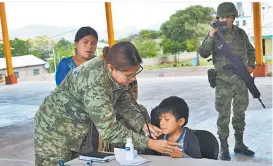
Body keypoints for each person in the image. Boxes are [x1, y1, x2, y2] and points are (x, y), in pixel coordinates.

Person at [34, 41, 182, 166]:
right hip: (54, 130)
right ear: (111, 68)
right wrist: (149, 143)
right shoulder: (94, 83)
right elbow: (110, 131)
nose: (132, 80)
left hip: (80, 129)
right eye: (129, 75)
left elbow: (123, 101)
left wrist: (141, 124)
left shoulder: (114, 70)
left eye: (136, 73)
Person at [198, 2, 256, 161]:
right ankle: (224, 148)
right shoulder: (214, 35)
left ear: (233, 17)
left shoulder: (241, 33)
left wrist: (251, 65)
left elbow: (251, 50)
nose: (224, 19)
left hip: (241, 81)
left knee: (240, 113)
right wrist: (211, 33)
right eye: (221, 16)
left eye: (227, 16)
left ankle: (239, 144)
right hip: (223, 81)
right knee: (223, 115)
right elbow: (203, 53)